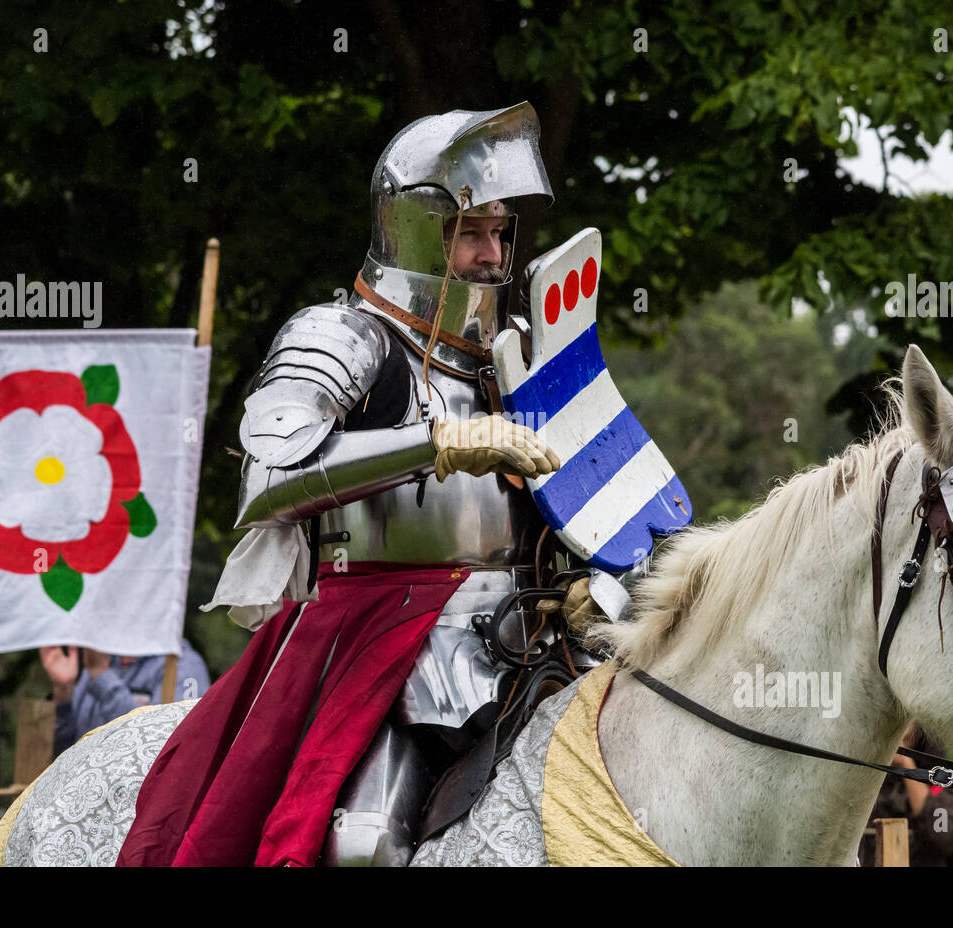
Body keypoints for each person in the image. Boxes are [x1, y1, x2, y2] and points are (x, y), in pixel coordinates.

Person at [120, 102, 610, 868]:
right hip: (385, 635)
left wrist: (587, 578)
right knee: (364, 843)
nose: (490, 254)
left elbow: (576, 487)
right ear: (420, 230)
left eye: (499, 233)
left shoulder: (520, 355)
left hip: (533, 633)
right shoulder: (344, 336)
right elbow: (268, 480)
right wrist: (438, 442)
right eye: (470, 232)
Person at [40, 643, 212, 755]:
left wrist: (101, 676)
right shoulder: (101, 659)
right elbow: (65, 753)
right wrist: (64, 692)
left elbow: (162, 750)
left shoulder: (184, 666)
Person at [859, 723, 953, 866]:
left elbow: (944, 836)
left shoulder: (942, 785)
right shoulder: (859, 781)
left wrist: (906, 764)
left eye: (905, 722)